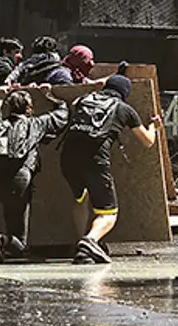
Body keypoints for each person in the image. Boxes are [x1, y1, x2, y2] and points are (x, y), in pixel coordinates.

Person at [61, 75, 162, 264]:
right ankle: (90, 240)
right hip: (95, 159)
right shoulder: (124, 109)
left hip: (68, 156)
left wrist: (96, 86)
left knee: (81, 198)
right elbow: (147, 141)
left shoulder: (85, 99)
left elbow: (74, 102)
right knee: (109, 213)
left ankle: (81, 244)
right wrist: (153, 126)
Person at [0, 86, 69, 263]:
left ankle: (3, 245)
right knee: (20, 231)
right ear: (29, 109)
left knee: (10, 210)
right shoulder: (35, 124)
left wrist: (2, 97)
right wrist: (50, 96)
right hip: (18, 181)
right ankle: (3, 240)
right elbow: (62, 115)